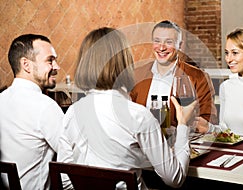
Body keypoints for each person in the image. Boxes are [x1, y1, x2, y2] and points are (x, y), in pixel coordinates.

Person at [57, 27, 197, 190]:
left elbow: (65, 179)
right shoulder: (139, 115)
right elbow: (174, 178)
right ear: (124, 63)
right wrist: (182, 124)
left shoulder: (72, 113)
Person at [0, 34, 64, 189]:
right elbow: (74, 158)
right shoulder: (45, 106)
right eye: (50, 60)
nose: (57, 67)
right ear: (26, 65)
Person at [130, 20, 218, 133]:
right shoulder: (137, 74)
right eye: (157, 41)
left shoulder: (199, 77)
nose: (161, 48)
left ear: (180, 45)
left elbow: (209, 121)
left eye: (169, 42)